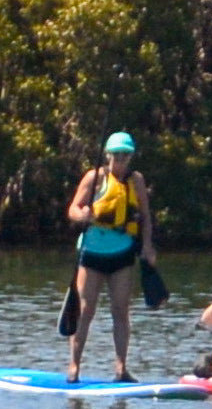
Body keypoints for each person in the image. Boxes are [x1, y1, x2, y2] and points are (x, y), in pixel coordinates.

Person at [65, 131, 156, 382]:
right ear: (108, 156)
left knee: (121, 309)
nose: (121, 160)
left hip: (122, 254)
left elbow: (146, 216)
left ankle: (121, 367)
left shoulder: (136, 181)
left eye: (125, 156)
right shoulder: (94, 177)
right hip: (92, 252)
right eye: (116, 155)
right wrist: (81, 215)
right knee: (85, 310)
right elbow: (73, 208)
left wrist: (147, 246)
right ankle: (74, 365)